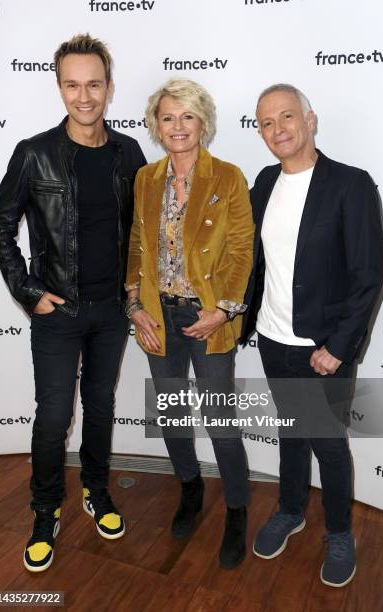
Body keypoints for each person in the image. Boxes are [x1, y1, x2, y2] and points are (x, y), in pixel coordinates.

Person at [0, 33, 146, 572]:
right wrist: (29, 294)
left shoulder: (129, 153)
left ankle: (96, 491)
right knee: (54, 416)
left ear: (108, 86)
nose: (85, 96)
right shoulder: (33, 153)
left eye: (94, 84)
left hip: (110, 313)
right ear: (59, 87)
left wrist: (135, 292)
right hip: (58, 313)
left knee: (100, 407)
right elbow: (0, 225)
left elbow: (143, 230)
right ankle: (43, 510)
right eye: (73, 85)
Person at [241, 84, 383, 587]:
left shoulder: (350, 184)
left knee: (328, 444)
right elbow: (254, 261)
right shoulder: (263, 182)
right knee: (291, 433)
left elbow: (370, 275)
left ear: (310, 119)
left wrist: (338, 348)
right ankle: (291, 509)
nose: (277, 130)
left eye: (287, 117)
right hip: (273, 340)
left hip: (324, 349)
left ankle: (341, 532)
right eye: (266, 122)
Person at [125, 79, 254, 569]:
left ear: (203, 123)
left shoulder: (228, 177)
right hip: (159, 317)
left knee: (221, 422)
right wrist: (134, 306)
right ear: (156, 125)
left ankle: (238, 512)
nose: (177, 126)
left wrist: (222, 310)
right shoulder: (145, 178)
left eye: (187, 116)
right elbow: (137, 244)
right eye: (168, 117)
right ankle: (190, 490)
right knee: (174, 418)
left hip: (209, 318)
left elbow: (243, 251)